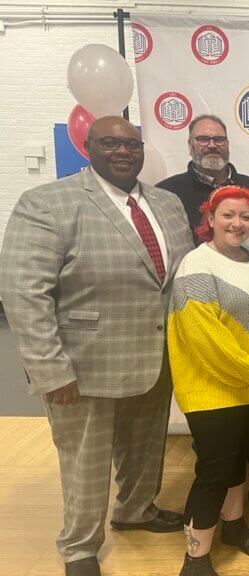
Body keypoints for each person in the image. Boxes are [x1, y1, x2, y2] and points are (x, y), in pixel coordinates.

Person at [0, 116, 194, 576]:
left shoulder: (166, 203)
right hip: (83, 365)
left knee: (145, 445)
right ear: (88, 147)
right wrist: (50, 370)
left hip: (157, 354)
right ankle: (80, 546)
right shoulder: (48, 202)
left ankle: (135, 510)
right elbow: (24, 292)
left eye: (132, 143)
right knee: (84, 459)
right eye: (110, 143)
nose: (124, 151)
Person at [168, 185, 249, 575]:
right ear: (209, 219)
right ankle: (196, 557)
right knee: (214, 474)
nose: (237, 223)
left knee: (238, 465)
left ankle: (234, 528)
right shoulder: (196, 266)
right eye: (228, 215)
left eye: (245, 216)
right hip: (214, 393)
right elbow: (206, 340)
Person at [158, 114, 249, 241]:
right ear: (190, 145)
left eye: (219, 139)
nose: (212, 145)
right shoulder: (168, 192)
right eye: (203, 139)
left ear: (227, 144)